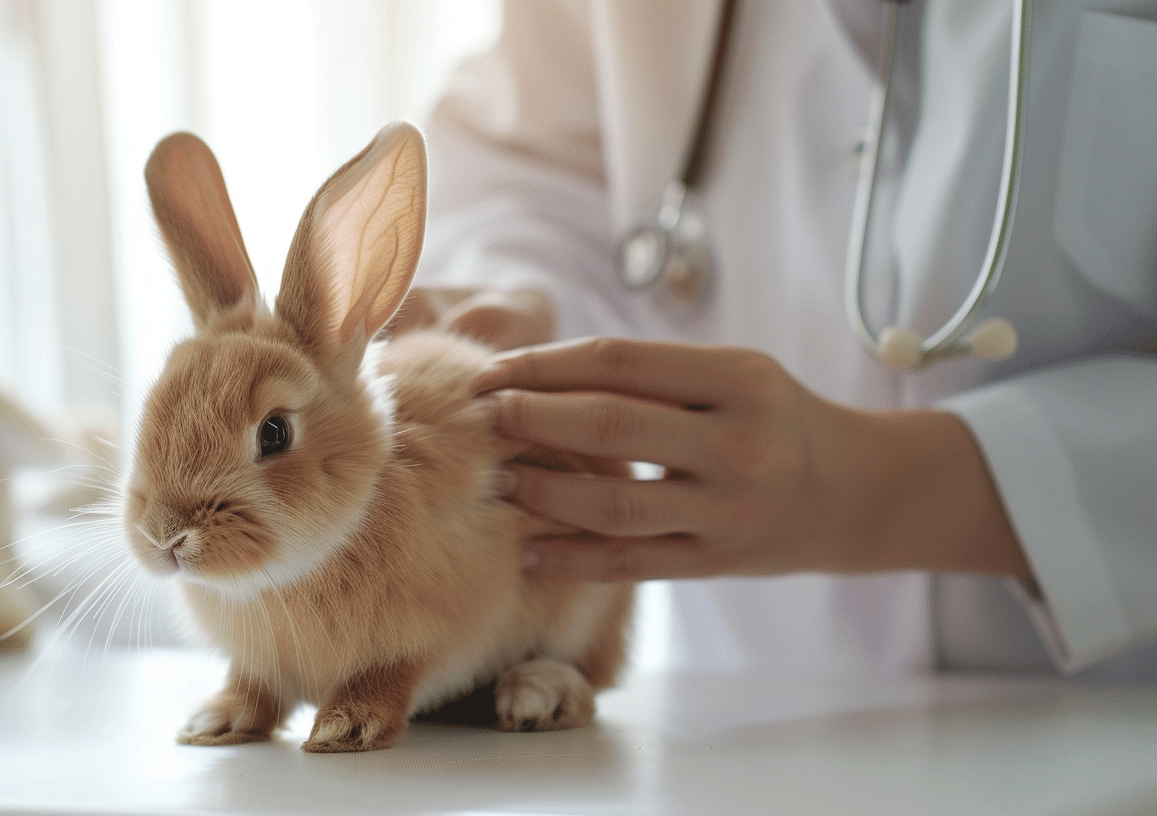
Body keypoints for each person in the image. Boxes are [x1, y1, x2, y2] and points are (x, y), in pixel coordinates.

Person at [404, 0, 1157, 678]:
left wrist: (877, 488)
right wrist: (511, 292)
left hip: (1118, 710)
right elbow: (531, 161)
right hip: (755, 713)